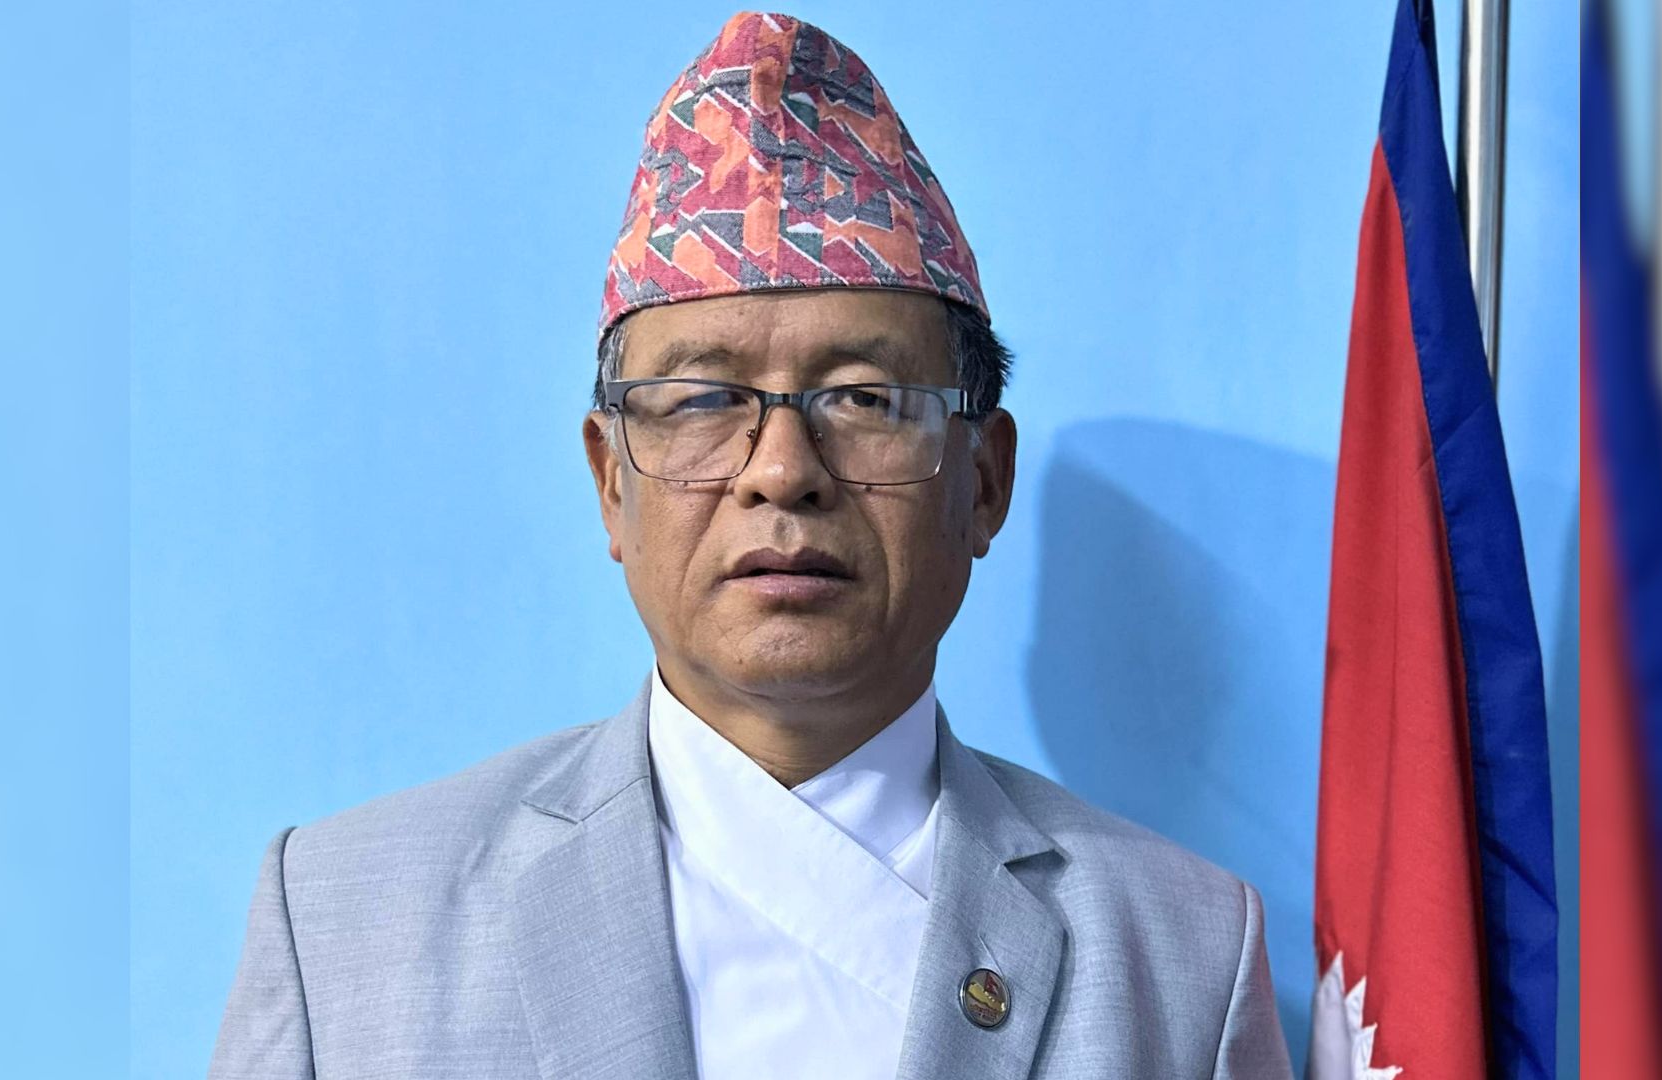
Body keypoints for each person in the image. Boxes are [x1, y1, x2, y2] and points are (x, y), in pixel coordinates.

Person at [208, 11, 1292, 1078]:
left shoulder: (1183, 954)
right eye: (702, 399)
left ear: (983, 481)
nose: (782, 471)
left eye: (865, 397)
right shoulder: (346, 924)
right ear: (610, 481)